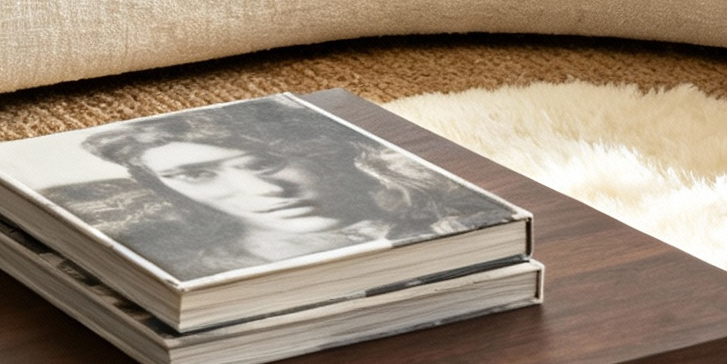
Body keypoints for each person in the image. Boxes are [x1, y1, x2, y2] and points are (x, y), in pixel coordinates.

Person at [46, 99, 508, 280]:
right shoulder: (191, 262)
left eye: (265, 162)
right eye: (198, 174)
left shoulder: (443, 212)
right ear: (170, 191)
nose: (260, 190)